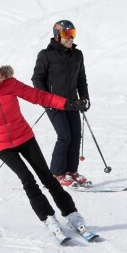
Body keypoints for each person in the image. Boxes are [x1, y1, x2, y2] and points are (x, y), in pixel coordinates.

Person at [0, 47, 89, 245]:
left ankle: (72, 214)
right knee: (28, 179)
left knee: (46, 176)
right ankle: (48, 219)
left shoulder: (9, 84)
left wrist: (67, 104)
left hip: (25, 137)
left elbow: (39, 96)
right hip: (2, 146)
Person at [32, 20, 90, 187]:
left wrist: (84, 98)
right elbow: (37, 79)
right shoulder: (46, 55)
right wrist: (46, 100)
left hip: (72, 103)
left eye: (73, 34)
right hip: (53, 103)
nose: (70, 38)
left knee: (75, 136)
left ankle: (71, 171)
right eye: (66, 34)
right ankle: (57, 173)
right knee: (64, 136)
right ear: (57, 36)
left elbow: (81, 79)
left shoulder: (77, 55)